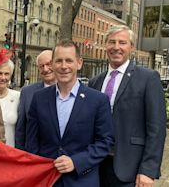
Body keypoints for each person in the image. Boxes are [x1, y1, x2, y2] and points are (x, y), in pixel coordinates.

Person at [26, 40, 114, 187]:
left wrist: (76, 161)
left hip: (82, 180)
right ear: (53, 64)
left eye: (69, 61)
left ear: (79, 63)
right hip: (47, 180)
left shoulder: (98, 100)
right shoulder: (39, 98)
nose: (63, 66)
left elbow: (105, 141)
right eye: (59, 61)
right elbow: (32, 142)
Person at [88, 25, 166, 187]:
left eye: (122, 42)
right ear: (105, 46)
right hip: (96, 165)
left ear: (132, 47)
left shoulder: (148, 78)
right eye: (112, 42)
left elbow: (156, 128)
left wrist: (148, 170)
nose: (116, 47)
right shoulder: (95, 82)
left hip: (129, 168)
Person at [15, 49, 56, 150]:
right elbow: (21, 129)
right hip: (35, 157)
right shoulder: (27, 92)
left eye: (49, 64)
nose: (45, 69)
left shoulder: (68, 90)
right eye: (41, 66)